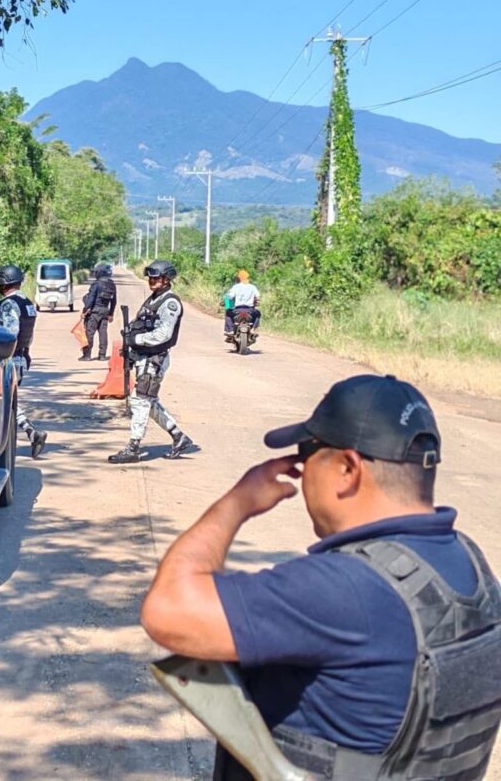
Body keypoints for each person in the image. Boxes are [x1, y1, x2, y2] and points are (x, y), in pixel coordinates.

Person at [140, 374, 501, 780]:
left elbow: (167, 611)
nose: (299, 469)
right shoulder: (469, 564)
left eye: (307, 452)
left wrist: (237, 502)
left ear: (347, 468)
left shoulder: (343, 588)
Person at [108, 260, 195, 464]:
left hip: (154, 359)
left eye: (156, 278)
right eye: (150, 278)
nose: (152, 281)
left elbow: (164, 333)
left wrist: (136, 339)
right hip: (144, 357)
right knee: (148, 401)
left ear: (166, 279)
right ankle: (178, 436)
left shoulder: (170, 303)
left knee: (140, 401)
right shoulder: (155, 299)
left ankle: (133, 447)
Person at [0, 264, 48, 459]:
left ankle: (27, 433)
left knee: (3, 401)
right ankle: (30, 433)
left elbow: (10, 334)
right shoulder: (27, 303)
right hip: (21, 357)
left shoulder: (9, 305)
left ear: (3, 282)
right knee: (6, 401)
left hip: (8, 359)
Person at [80, 263, 118, 362]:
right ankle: (102, 355)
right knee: (103, 333)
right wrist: (111, 314)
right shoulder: (112, 284)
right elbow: (114, 301)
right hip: (105, 311)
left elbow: (91, 299)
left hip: (94, 312)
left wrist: (85, 310)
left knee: (89, 333)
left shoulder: (96, 284)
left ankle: (87, 355)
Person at [224, 268, 260, 339]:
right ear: (247, 278)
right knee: (258, 313)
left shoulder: (236, 287)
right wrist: (256, 301)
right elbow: (258, 297)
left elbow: (230, 297)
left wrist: (226, 300)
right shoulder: (253, 287)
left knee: (228, 312)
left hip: (238, 310)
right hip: (250, 310)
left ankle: (230, 330)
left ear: (239, 278)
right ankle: (253, 329)